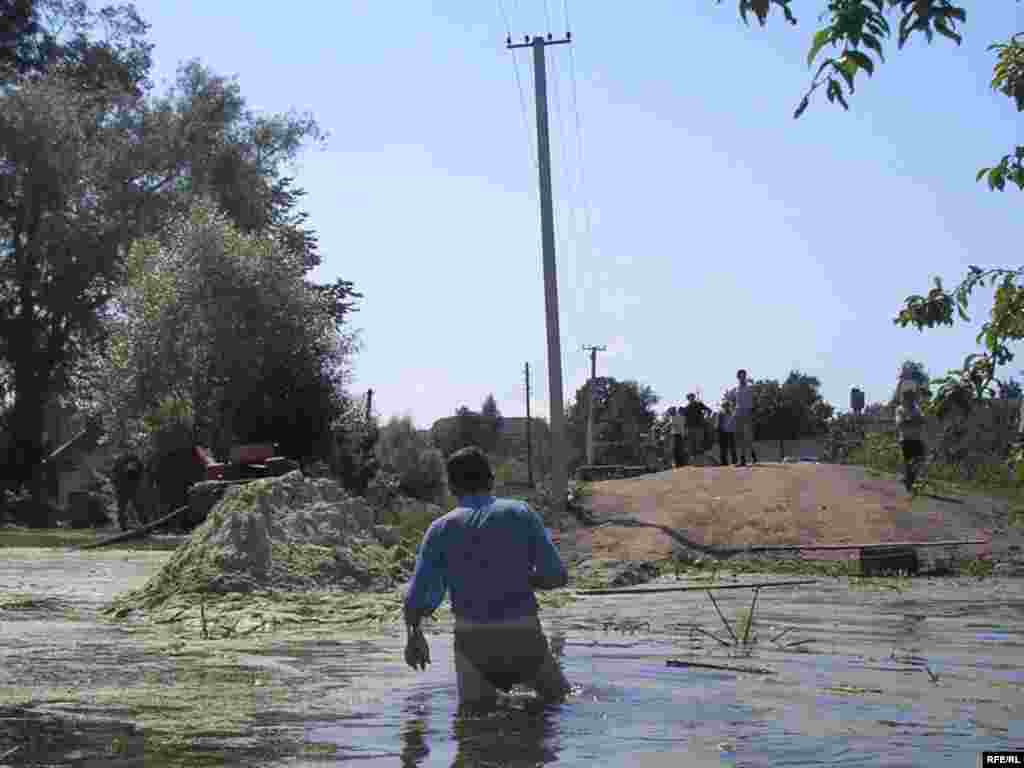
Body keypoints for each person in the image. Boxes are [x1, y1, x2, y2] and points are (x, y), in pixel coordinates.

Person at [403, 446, 571, 709]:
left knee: (473, 727)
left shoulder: (440, 529)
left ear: (452, 487)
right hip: (523, 635)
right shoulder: (521, 513)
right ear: (491, 480)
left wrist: (414, 635)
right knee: (560, 704)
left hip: (472, 641)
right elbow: (557, 576)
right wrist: (523, 579)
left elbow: (418, 596)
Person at [896, 387, 926, 492]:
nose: (911, 399)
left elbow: (922, 420)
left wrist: (910, 420)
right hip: (906, 439)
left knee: (919, 460)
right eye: (908, 397)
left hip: (917, 438)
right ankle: (909, 481)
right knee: (908, 462)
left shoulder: (917, 408)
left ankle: (910, 479)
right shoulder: (900, 409)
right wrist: (913, 420)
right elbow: (901, 424)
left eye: (912, 397)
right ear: (904, 398)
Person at [731, 369, 756, 467]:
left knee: (748, 437)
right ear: (738, 377)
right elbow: (736, 403)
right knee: (740, 437)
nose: (742, 377)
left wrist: (750, 413)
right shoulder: (736, 389)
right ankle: (742, 460)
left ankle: (753, 455)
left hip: (747, 412)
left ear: (745, 376)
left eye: (743, 376)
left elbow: (751, 402)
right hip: (738, 413)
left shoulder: (749, 388)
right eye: (740, 376)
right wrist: (734, 414)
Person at [682, 393, 712, 464]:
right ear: (688, 399)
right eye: (689, 397)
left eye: (692, 397)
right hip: (690, 428)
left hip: (699, 427)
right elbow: (685, 419)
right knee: (691, 446)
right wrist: (685, 429)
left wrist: (706, 418)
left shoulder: (699, 404)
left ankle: (700, 461)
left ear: (694, 397)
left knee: (699, 444)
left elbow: (709, 410)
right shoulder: (686, 407)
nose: (690, 398)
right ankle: (695, 462)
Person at [718, 401, 738, 466]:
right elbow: (718, 423)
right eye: (724, 406)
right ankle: (724, 462)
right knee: (723, 447)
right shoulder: (720, 413)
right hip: (723, 432)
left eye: (727, 405)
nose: (726, 407)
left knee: (732, 446)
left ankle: (734, 461)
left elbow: (735, 422)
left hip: (731, 431)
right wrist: (719, 430)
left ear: (729, 406)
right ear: (723, 406)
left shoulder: (732, 413)